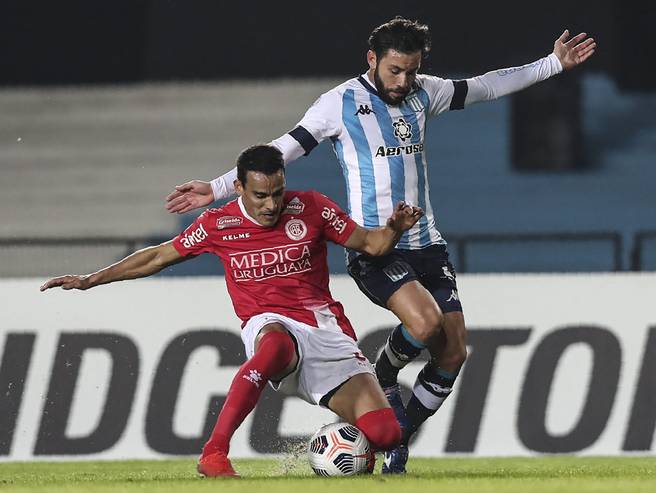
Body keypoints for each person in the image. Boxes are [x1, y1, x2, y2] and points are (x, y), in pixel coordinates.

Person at [164, 17, 596, 473]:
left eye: (411, 70)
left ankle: (397, 441)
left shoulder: (425, 91)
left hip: (427, 242)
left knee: (453, 352)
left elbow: (486, 86)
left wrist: (552, 64)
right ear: (372, 59)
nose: (404, 80)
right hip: (376, 246)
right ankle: (386, 370)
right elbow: (283, 150)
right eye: (395, 70)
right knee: (426, 324)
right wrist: (216, 188)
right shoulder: (338, 104)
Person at [41, 144, 424, 478]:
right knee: (274, 346)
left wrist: (394, 228)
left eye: (277, 192)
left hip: (326, 330)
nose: (271, 204)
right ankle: (214, 453)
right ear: (239, 187)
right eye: (260, 195)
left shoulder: (311, 207)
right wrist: (92, 279)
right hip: (270, 323)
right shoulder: (218, 223)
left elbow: (372, 245)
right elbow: (158, 256)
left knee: (386, 434)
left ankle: (345, 450)